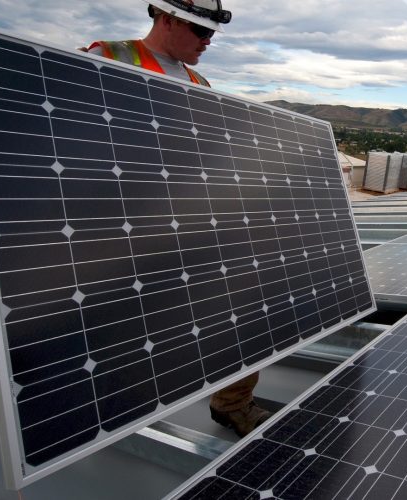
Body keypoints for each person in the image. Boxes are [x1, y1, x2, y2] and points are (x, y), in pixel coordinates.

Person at [86, 0, 271, 438]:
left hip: (184, 219)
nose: (208, 42)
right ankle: (105, 408)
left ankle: (233, 403)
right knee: (124, 322)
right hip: (123, 222)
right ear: (166, 19)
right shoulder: (107, 57)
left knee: (241, 301)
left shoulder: (198, 83)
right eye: (200, 31)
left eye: (212, 34)